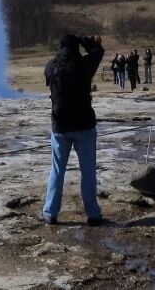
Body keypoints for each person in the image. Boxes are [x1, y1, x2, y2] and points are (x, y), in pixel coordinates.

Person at [42, 34, 104, 226]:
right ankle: (93, 214)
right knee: (88, 171)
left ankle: (50, 213)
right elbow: (98, 51)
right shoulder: (85, 65)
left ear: (60, 47)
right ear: (77, 47)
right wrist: (85, 39)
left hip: (60, 126)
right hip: (84, 125)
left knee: (57, 170)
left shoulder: (50, 67)